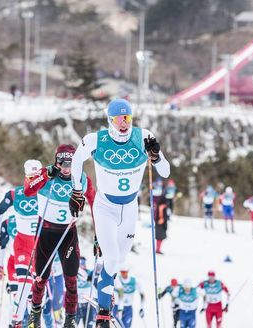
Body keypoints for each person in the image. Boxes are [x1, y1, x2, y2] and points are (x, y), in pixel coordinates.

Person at [69, 99, 170, 327]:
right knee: (112, 258)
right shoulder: (97, 140)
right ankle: (103, 311)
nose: (123, 124)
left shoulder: (143, 136)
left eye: (127, 118)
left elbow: (165, 171)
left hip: (130, 208)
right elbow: (76, 160)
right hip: (105, 207)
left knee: (118, 260)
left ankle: (107, 284)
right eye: (118, 119)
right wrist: (76, 191)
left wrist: (156, 156)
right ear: (110, 120)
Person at [24, 145, 96, 328]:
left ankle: (70, 319)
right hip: (45, 233)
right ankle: (35, 314)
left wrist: (99, 235)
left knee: (71, 278)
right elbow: (28, 190)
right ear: (56, 161)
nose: (66, 168)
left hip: (67, 234)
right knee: (41, 277)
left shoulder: (81, 179)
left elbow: (95, 203)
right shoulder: (46, 175)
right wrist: (46, 174)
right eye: (62, 163)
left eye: (70, 164)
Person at [0, 159, 42, 327]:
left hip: (41, 246)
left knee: (37, 293)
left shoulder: (48, 193)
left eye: (36, 177)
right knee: (22, 285)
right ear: (26, 176)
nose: (33, 181)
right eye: (30, 177)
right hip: (22, 246)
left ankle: (32, 321)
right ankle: (16, 321)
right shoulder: (15, 194)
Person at [77, 257, 96, 328]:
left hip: (88, 304)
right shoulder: (74, 273)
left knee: (89, 325)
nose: (82, 266)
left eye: (83, 264)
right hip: (77, 304)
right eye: (80, 264)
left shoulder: (89, 273)